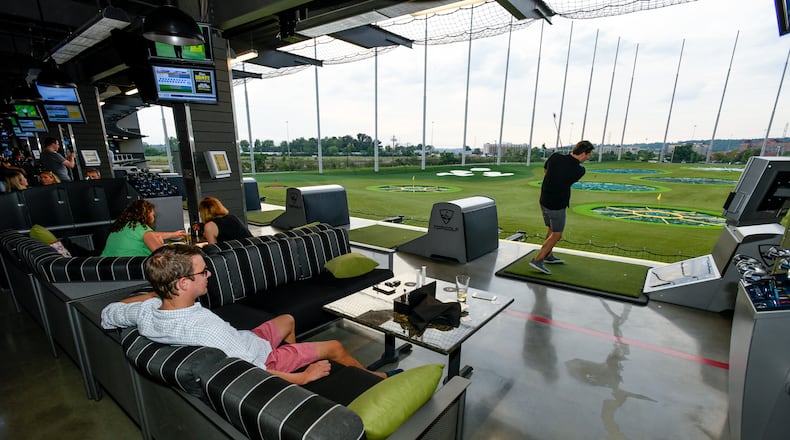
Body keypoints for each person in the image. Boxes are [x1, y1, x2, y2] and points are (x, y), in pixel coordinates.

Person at [100, 245, 397, 384]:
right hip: (261, 359)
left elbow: (109, 314)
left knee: (288, 319)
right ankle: (376, 377)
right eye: (203, 272)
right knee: (334, 346)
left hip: (247, 339)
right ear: (184, 283)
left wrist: (155, 294)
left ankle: (293, 352)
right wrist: (303, 378)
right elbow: (254, 373)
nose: (209, 275)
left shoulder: (147, 312)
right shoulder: (204, 328)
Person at [529, 140, 595, 275]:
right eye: (588, 155)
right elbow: (568, 176)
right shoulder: (580, 170)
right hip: (557, 205)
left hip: (544, 200)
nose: (588, 158)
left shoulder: (555, 157)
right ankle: (538, 260)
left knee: (551, 229)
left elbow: (546, 171)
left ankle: (548, 255)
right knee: (557, 234)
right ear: (583, 153)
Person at [101, 199, 186, 257]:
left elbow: (151, 235)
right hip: (131, 268)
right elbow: (161, 254)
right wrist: (161, 243)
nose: (154, 218)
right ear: (146, 215)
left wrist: (174, 234)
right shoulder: (142, 229)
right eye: (153, 215)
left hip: (107, 266)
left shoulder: (125, 226)